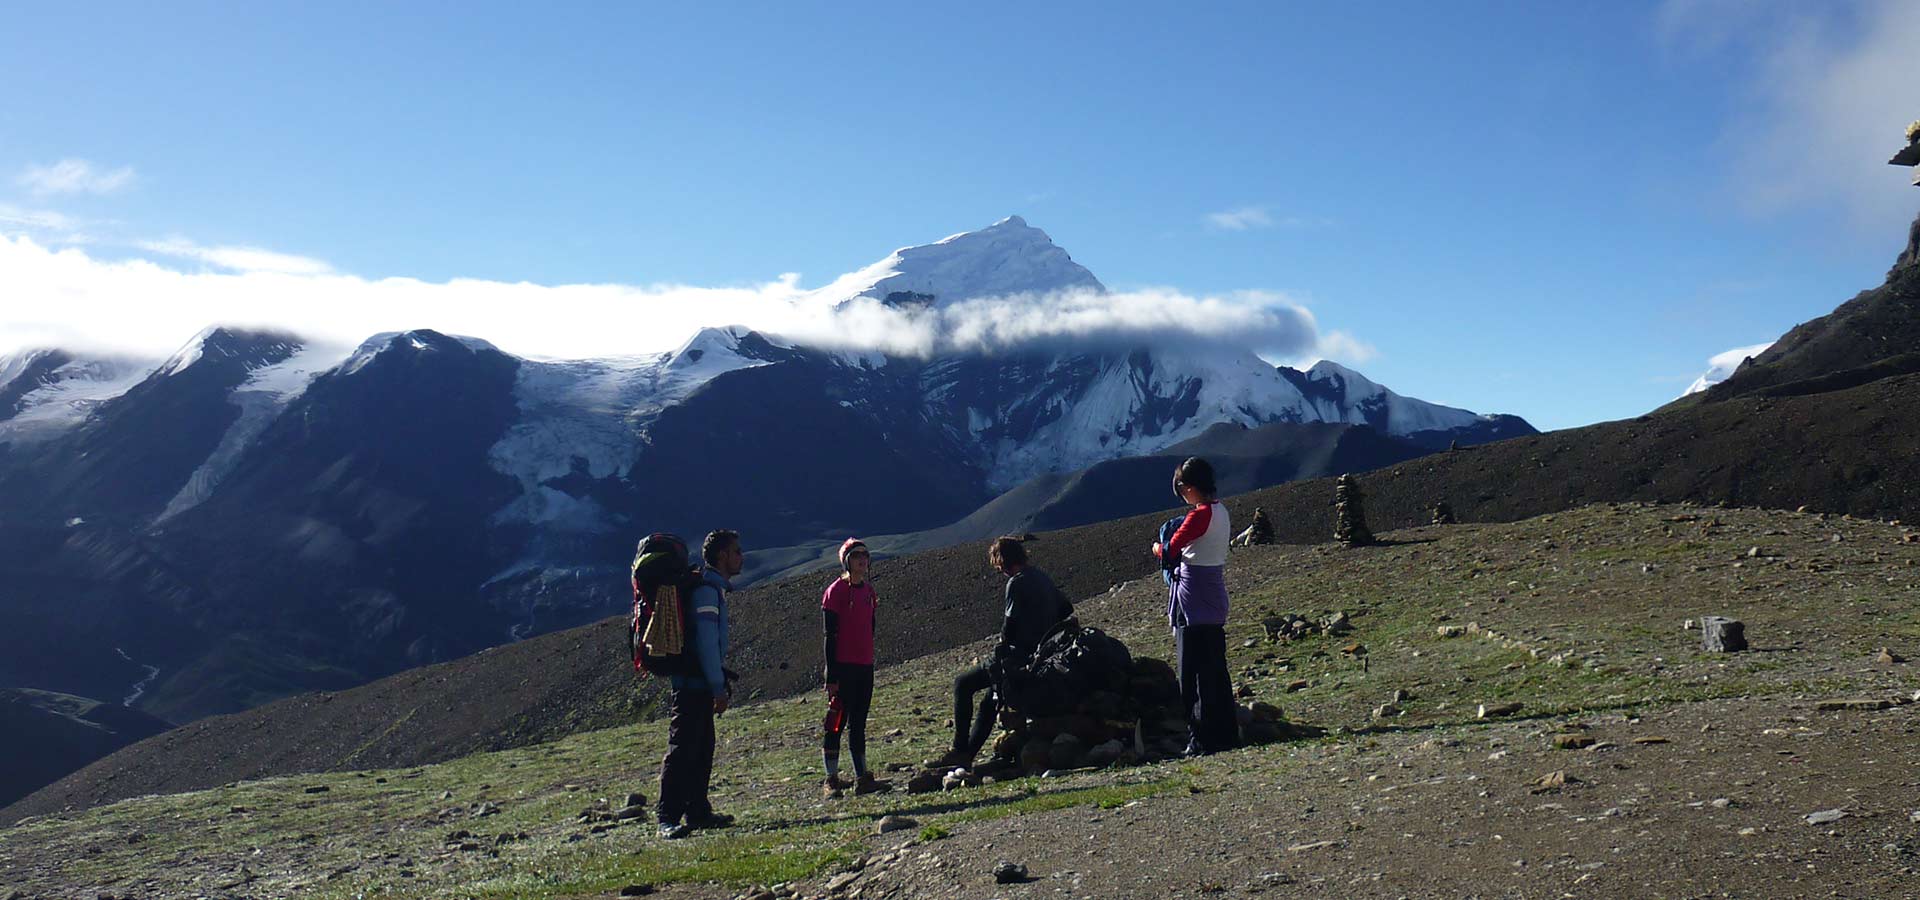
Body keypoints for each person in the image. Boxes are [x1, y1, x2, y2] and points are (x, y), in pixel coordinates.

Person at [931, 535, 1074, 770]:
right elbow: (1066, 608)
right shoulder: (1041, 577)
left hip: (1020, 655)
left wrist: (1006, 645)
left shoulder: (1016, 582)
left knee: (963, 684)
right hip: (1042, 655)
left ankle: (959, 749)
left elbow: (1010, 625)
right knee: (990, 700)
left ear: (1002, 562)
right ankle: (967, 756)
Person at [657, 529, 742, 839]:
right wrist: (718, 687)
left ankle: (697, 810)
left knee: (702, 746)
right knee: (683, 749)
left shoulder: (710, 589)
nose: (740, 557)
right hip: (693, 683)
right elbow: (707, 644)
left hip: (697, 681)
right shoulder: (707, 592)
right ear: (721, 555)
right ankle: (667, 816)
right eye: (735, 551)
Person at [1152, 457, 1238, 756]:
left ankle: (1200, 737)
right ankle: (1225, 731)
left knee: (1192, 671)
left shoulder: (1198, 516)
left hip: (1192, 598)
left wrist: (1156, 548)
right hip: (1213, 593)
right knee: (1215, 669)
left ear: (1188, 487)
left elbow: (1170, 549)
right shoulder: (1221, 512)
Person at [821, 537, 888, 798]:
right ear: (846, 560)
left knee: (858, 722)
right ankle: (831, 778)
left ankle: (862, 777)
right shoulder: (835, 591)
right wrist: (831, 673)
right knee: (836, 722)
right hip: (843, 667)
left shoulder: (869, 592)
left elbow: (870, 626)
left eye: (865, 555)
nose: (862, 559)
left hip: (864, 666)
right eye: (856, 555)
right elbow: (830, 635)